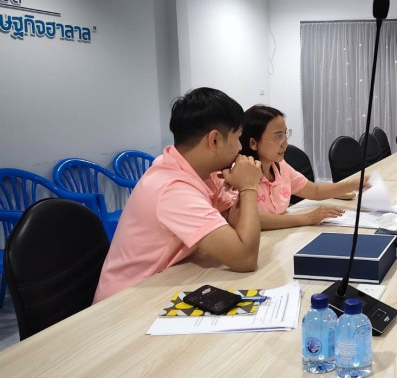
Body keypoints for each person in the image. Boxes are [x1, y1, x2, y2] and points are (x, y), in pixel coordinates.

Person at [94, 88, 262, 302]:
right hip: (124, 303)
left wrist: (240, 186)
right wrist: (248, 187)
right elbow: (245, 258)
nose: (240, 147)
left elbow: (235, 224)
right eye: (238, 137)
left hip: (164, 284)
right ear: (214, 140)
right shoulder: (172, 188)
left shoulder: (201, 172)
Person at [240, 105, 369, 230]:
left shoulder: (280, 166)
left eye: (285, 134)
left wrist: (353, 185)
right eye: (278, 136)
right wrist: (306, 218)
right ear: (253, 143)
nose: (286, 143)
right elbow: (249, 218)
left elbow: (315, 191)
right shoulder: (240, 173)